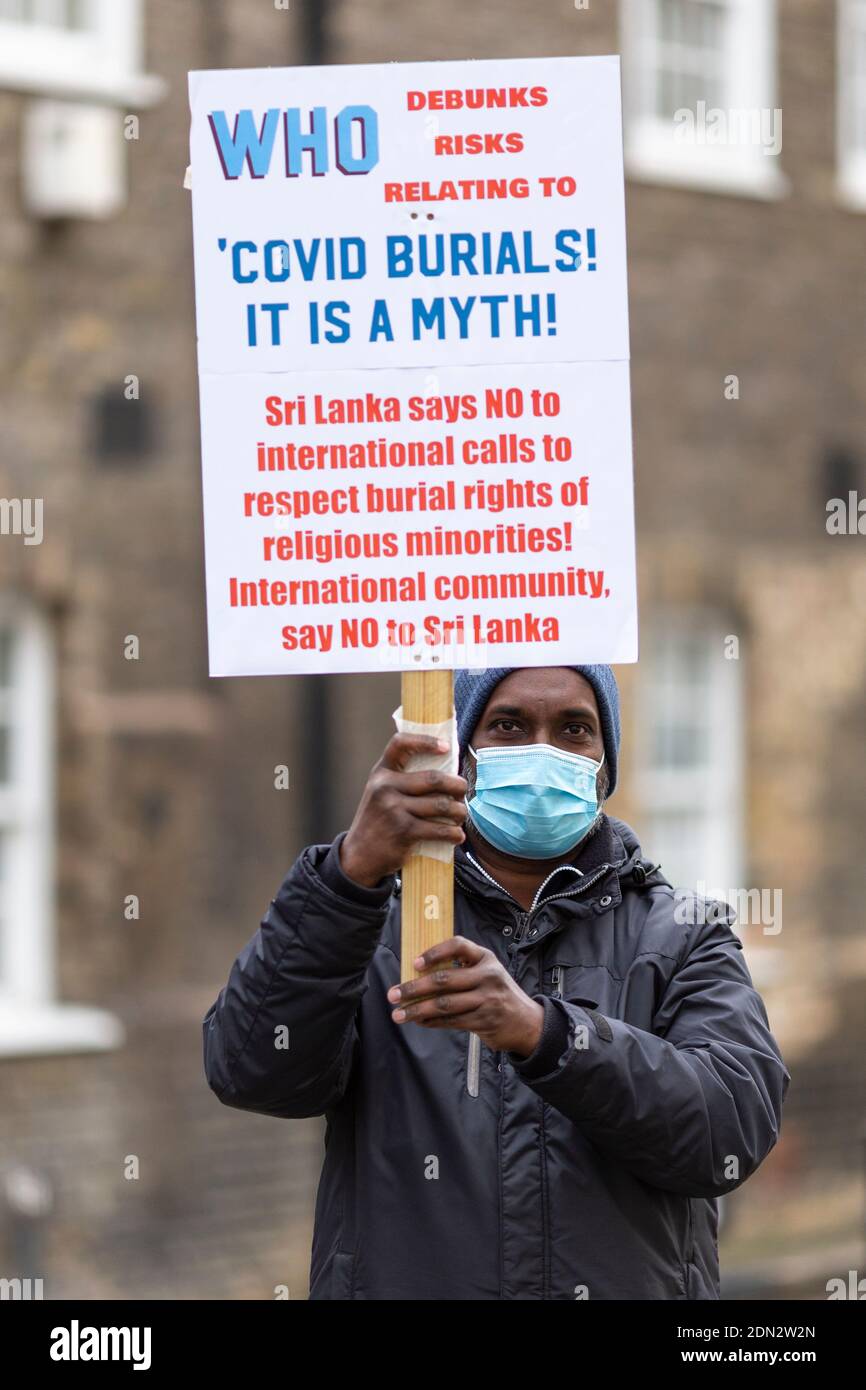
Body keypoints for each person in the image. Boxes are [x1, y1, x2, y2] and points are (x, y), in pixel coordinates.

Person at [202, 664, 790, 1300]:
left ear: (605, 764)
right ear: (463, 754)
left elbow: (728, 1131)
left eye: (574, 729)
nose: (542, 749)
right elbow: (253, 1071)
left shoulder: (680, 934)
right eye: (508, 725)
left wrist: (550, 1035)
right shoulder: (375, 926)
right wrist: (349, 875)